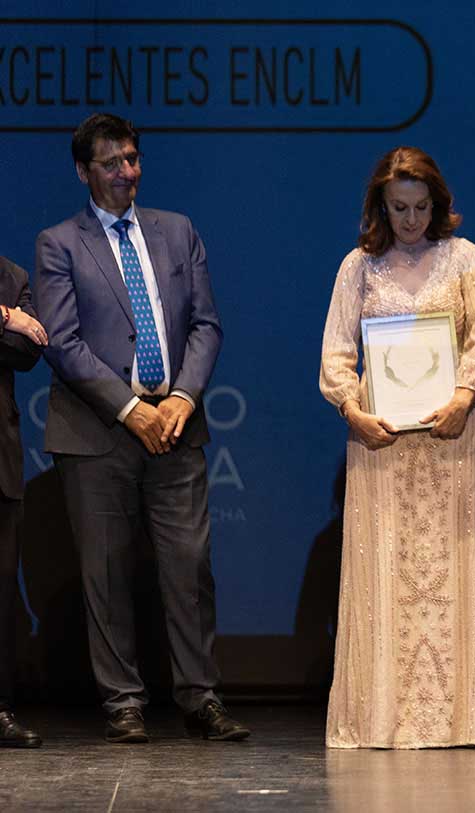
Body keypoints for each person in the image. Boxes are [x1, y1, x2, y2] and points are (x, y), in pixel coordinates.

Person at [34, 113, 247, 744]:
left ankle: (200, 698)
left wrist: (181, 396)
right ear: (83, 172)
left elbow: (206, 325)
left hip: (176, 424)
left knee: (190, 567)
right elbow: (62, 341)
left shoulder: (177, 231)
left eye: (132, 159)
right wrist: (130, 409)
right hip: (98, 431)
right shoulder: (59, 243)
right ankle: (122, 702)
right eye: (111, 164)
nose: (127, 172)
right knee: (105, 572)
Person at [319, 147, 475, 749]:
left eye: (421, 207)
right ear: (381, 205)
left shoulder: (464, 257)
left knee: (452, 567)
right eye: (398, 207)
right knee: (386, 570)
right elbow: (336, 353)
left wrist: (465, 395)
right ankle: (383, 718)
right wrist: (351, 409)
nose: (410, 219)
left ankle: (461, 719)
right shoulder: (358, 266)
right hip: (381, 442)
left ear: (437, 203)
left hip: (451, 436)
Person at [0, 256, 46, 749]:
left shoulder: (12, 277)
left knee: (2, 591)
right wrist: (5, 316)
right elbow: (12, 334)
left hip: (0, 461)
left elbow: (26, 351)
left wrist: (16, 325)